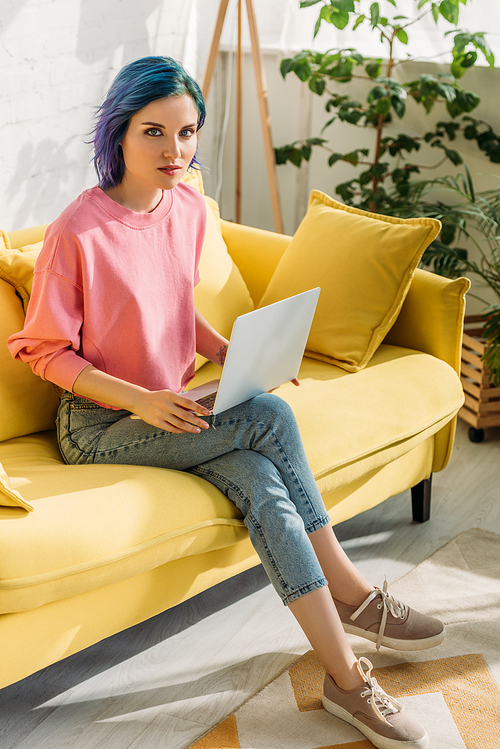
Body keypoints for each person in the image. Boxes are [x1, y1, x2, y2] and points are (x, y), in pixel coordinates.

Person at [8, 56, 443, 749]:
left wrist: (242, 353)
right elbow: (42, 350)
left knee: (264, 483)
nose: (173, 151)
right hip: (100, 424)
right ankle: (354, 591)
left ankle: (347, 681)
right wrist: (143, 400)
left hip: (173, 408)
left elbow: (173, 310)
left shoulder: (182, 206)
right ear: (118, 133)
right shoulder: (77, 232)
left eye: (187, 133)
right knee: (269, 419)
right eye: (153, 132)